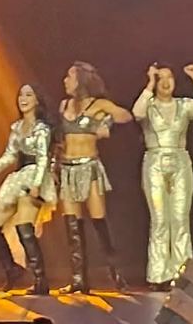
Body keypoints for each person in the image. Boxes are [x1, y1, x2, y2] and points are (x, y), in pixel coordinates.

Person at [133, 63, 193, 289]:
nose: (166, 82)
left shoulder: (183, 105)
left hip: (180, 162)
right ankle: (158, 275)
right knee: (159, 220)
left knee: (179, 218)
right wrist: (149, 84)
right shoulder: (148, 105)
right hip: (154, 162)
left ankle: (182, 274)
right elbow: (136, 113)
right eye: (161, 78)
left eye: (170, 78)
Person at [58, 61, 134, 291]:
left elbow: (126, 116)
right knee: (72, 225)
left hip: (89, 167)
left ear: (81, 80)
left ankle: (116, 274)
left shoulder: (98, 104)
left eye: (70, 76)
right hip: (68, 168)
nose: (65, 80)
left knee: (99, 220)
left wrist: (106, 123)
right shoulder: (64, 105)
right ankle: (78, 280)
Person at [0, 83, 56, 295]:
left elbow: (43, 158)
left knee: (24, 226)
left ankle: (40, 279)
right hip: (18, 177)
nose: (23, 98)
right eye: (21, 94)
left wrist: (37, 184)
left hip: (34, 177)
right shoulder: (16, 128)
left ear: (37, 100)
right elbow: (10, 155)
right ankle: (12, 269)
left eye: (29, 95)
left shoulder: (42, 129)